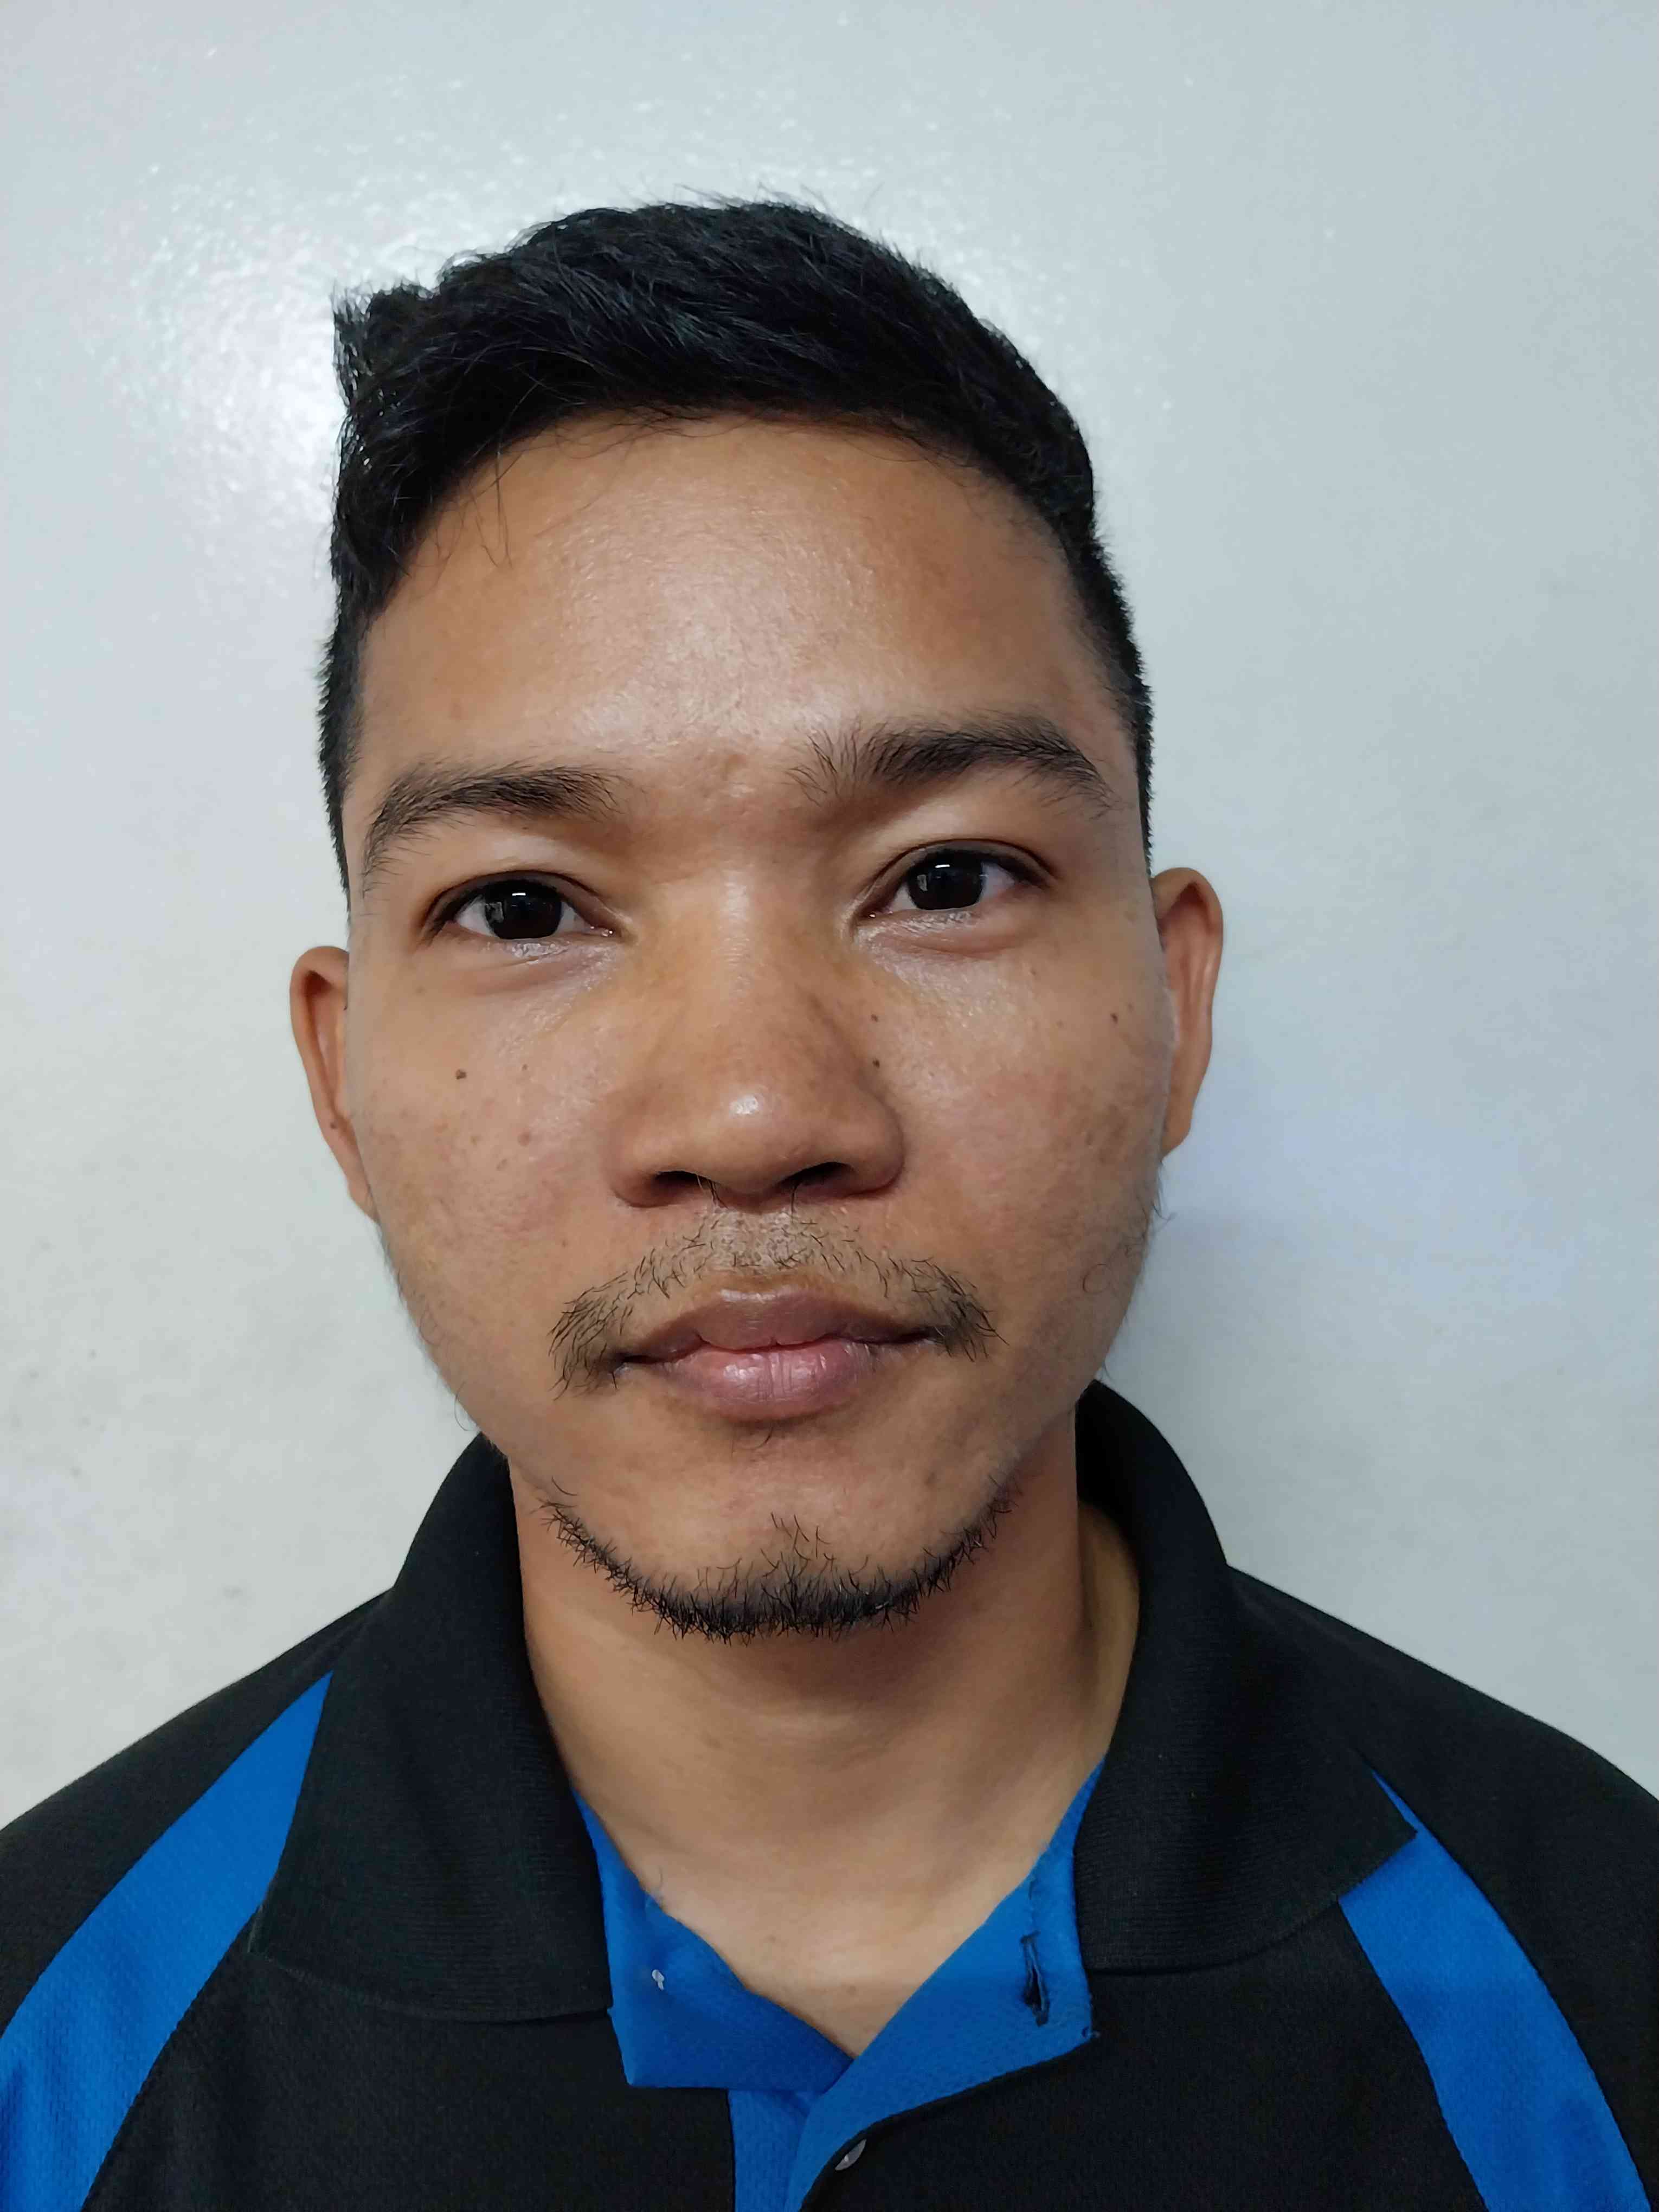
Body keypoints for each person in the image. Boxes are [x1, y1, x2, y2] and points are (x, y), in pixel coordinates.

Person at [0, 198, 1651, 2212]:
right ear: (341, 1081)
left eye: (943, 879)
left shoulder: (1601, 1998)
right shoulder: (44, 2054)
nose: (755, 1114)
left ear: (1176, 1005)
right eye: (523, 907)